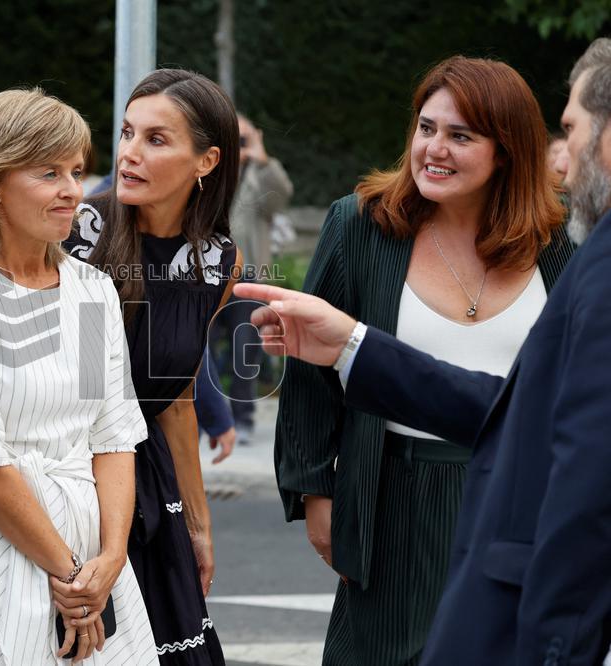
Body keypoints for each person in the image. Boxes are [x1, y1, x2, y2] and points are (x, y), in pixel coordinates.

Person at [237, 39, 611, 665]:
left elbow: (543, 407)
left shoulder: (563, 241)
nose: (434, 148)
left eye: (460, 136)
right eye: (426, 127)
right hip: (390, 493)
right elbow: (309, 367)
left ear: (506, 150)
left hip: (514, 496)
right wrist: (316, 494)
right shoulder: (359, 225)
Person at [0, 88, 157, 665]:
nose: (73, 190)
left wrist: (111, 559)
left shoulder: (90, 290)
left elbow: (113, 438)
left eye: (76, 171)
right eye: (48, 173)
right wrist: (69, 575)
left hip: (93, 563)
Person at [66, 68, 242, 664]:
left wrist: (199, 523)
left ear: (206, 161)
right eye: (127, 133)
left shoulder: (218, 260)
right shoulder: (77, 231)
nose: (129, 153)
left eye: (155, 139)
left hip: (150, 480)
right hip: (65, 477)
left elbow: (177, 398)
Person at [210, 113, 293, 445]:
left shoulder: (261, 174)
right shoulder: (211, 169)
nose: (240, 146)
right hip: (209, 276)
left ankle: (242, 418)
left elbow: (281, 196)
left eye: (244, 138)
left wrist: (261, 156)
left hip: (249, 278)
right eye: (234, 139)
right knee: (198, 346)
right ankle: (207, 415)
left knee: (244, 350)